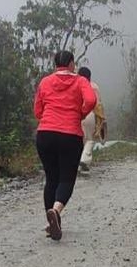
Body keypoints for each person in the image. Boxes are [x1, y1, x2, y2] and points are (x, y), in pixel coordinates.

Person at [33, 50, 97, 241]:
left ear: (55, 65)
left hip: (45, 134)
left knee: (51, 177)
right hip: (69, 134)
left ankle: (50, 220)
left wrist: (46, 117)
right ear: (71, 64)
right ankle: (56, 210)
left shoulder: (45, 81)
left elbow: (37, 110)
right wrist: (80, 113)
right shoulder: (80, 81)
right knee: (67, 178)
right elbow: (92, 100)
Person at [77, 67, 107, 172]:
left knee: (79, 139)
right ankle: (84, 160)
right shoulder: (94, 87)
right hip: (90, 115)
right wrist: (102, 118)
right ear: (89, 77)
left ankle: (76, 162)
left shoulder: (75, 85)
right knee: (89, 139)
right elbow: (98, 104)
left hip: (76, 115)